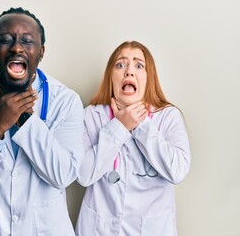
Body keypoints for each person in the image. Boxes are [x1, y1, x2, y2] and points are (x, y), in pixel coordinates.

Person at [0, 7, 84, 236]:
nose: (17, 48)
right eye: (5, 40)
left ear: (41, 52)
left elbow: (64, 175)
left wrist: (24, 118)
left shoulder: (66, 101)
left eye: (27, 41)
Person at [75, 41, 191, 236]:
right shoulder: (92, 116)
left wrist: (140, 125)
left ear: (149, 78)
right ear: (110, 77)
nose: (129, 71)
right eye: (120, 65)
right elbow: (83, 175)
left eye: (139, 65)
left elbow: (178, 170)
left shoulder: (168, 116)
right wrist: (119, 127)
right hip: (99, 229)